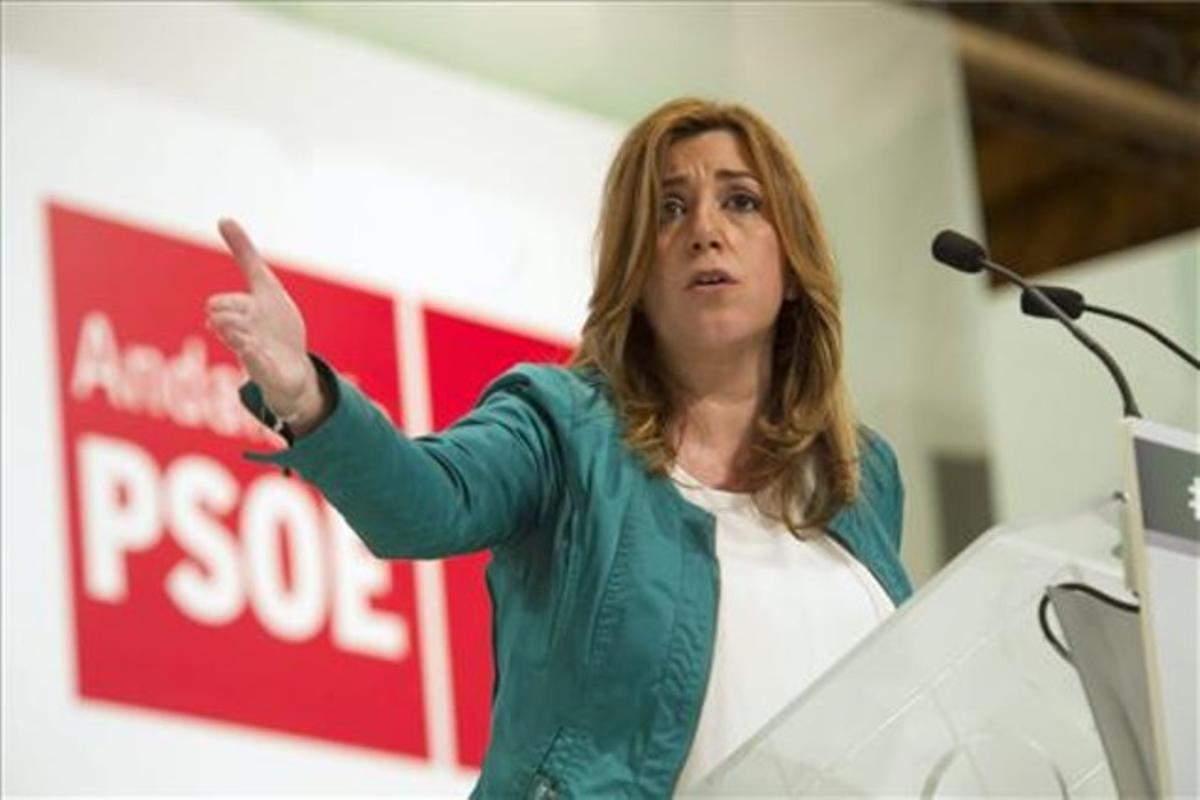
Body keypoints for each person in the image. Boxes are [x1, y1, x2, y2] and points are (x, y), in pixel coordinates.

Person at [206, 97, 911, 798]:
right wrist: (306, 396)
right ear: (634, 276)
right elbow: (425, 503)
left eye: (741, 201)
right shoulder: (564, 427)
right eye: (669, 209)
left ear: (793, 261)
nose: (705, 230)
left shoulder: (860, 477)